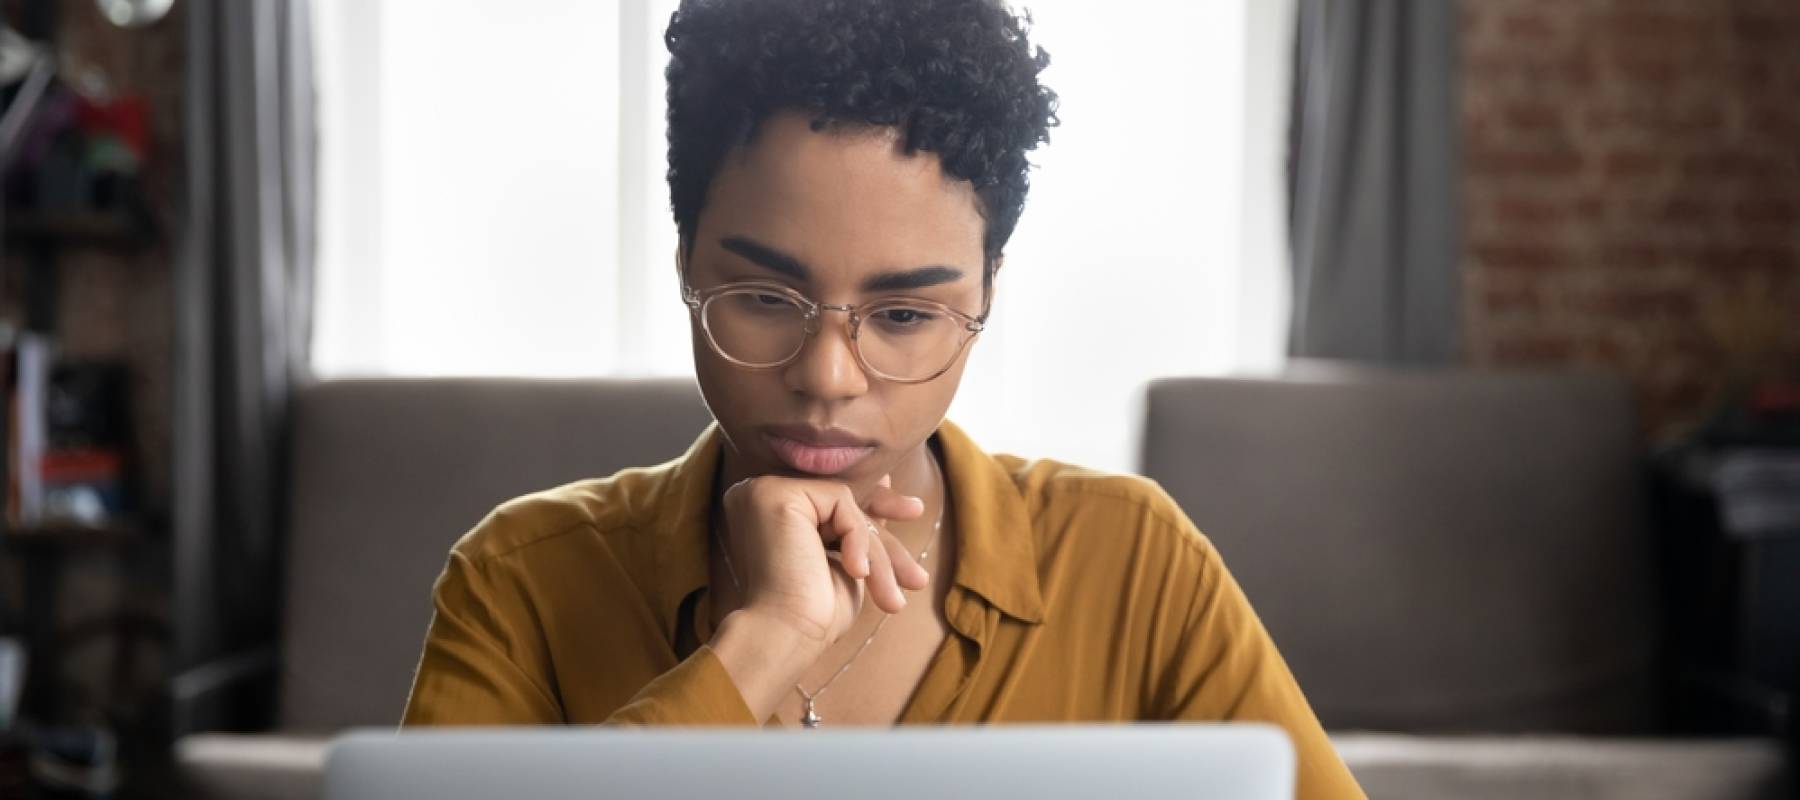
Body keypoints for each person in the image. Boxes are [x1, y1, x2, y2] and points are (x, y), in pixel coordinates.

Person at [402, 0, 1365, 797]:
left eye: (904, 315)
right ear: (686, 257)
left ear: (986, 293)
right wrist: (765, 643)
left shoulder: (1133, 562)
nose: (827, 377)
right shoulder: (517, 582)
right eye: (767, 299)